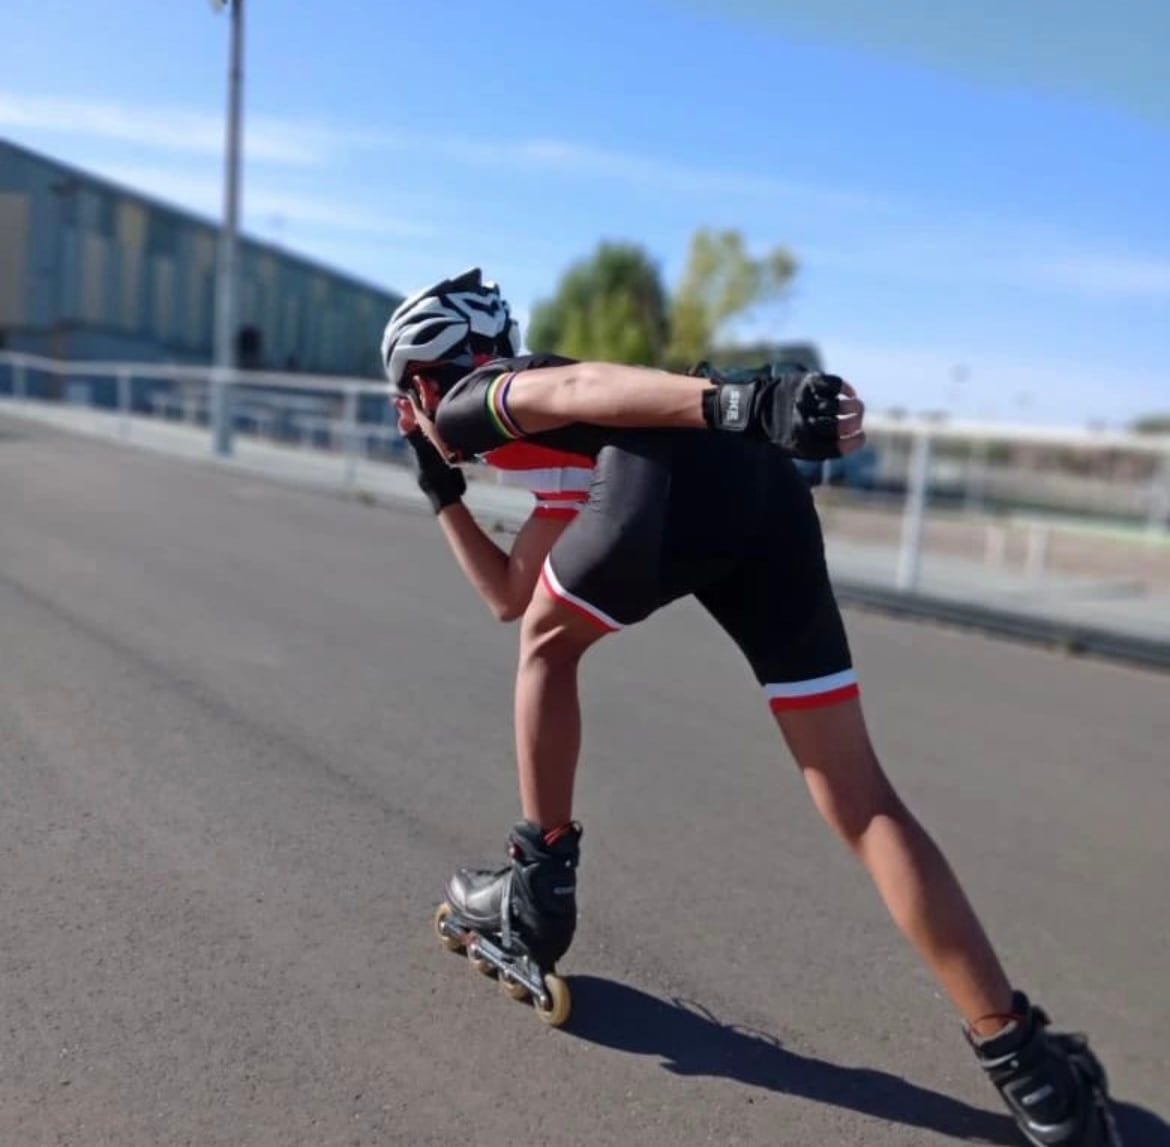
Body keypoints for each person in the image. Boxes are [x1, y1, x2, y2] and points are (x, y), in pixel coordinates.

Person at [380, 268, 1120, 1147]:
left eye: (408, 405)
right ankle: (1028, 1068)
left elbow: (577, 385)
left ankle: (537, 891)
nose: (420, 423)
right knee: (859, 796)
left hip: (695, 460)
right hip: (763, 494)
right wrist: (439, 489)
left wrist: (740, 400)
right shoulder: (548, 458)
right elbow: (507, 588)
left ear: (425, 380)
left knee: (548, 644)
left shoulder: (472, 400)